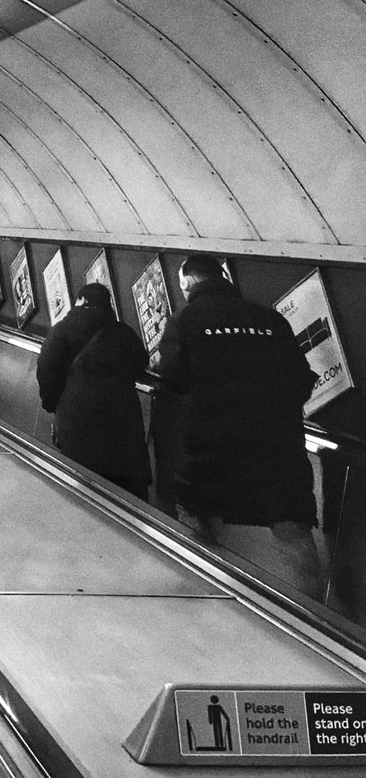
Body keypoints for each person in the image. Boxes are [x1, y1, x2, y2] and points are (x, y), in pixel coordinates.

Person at [156, 254, 323, 598]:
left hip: (213, 451)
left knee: (197, 521)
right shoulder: (271, 319)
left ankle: (204, 600)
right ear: (222, 276)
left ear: (187, 283)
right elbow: (302, 381)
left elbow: (172, 378)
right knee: (293, 532)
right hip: (278, 450)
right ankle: (315, 622)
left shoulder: (185, 320)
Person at [36, 283, 150, 499]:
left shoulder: (61, 330)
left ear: (81, 300)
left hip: (78, 423)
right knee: (125, 497)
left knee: (81, 491)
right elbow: (141, 361)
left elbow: (47, 371)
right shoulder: (124, 333)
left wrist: (52, 404)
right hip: (123, 428)